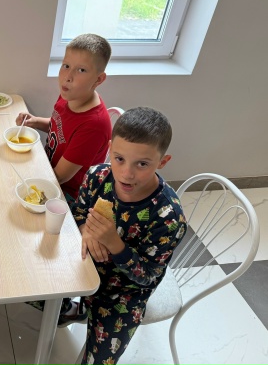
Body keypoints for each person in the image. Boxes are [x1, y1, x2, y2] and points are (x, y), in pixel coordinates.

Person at [71, 106, 187, 364]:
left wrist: (115, 244)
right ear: (110, 149)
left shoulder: (169, 217)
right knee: (31, 291)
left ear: (162, 162)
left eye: (142, 164)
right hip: (83, 265)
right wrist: (84, 229)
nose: (126, 173)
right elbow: (78, 212)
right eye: (119, 158)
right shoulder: (96, 177)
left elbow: (148, 276)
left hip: (123, 293)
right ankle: (70, 310)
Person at [15, 33, 112, 205]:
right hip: (47, 168)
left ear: (98, 79)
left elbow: (60, 177)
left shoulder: (94, 125)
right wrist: (35, 121)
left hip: (67, 195)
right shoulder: (71, 95)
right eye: (66, 66)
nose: (68, 77)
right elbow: (59, 129)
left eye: (81, 70)